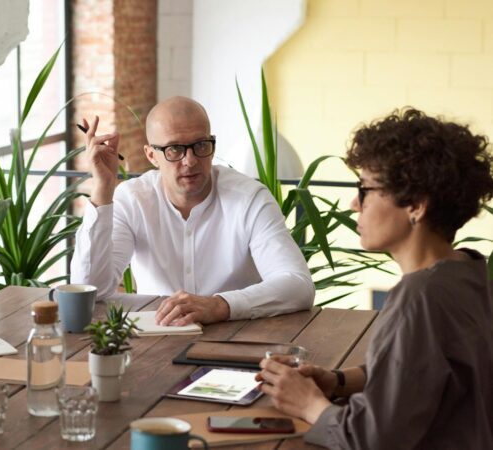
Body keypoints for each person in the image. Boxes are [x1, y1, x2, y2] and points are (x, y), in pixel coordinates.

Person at [257, 108, 493, 448]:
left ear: (416, 205)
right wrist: (337, 381)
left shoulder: (419, 297)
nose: (355, 203)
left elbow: (371, 439)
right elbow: (418, 376)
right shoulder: (468, 271)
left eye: (365, 189)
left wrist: (309, 404)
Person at [70, 96, 314, 325]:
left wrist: (219, 305)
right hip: (157, 339)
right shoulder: (133, 199)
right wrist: (102, 189)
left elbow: (298, 285)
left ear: (212, 145)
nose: (190, 160)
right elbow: (89, 291)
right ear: (152, 155)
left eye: (200, 145)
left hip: (236, 336)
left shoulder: (250, 199)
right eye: (174, 149)